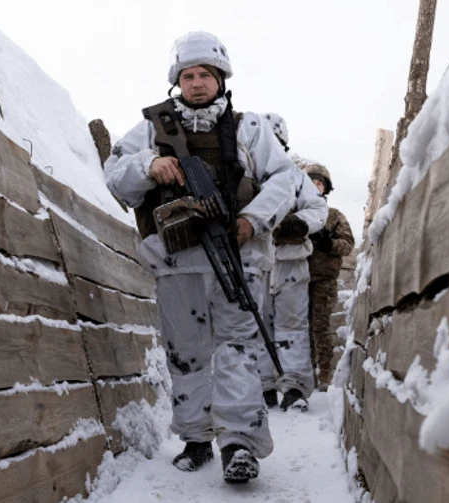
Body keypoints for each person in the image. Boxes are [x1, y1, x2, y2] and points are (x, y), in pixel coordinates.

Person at [104, 31, 298, 483]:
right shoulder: (151, 129)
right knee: (186, 354)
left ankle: (238, 444)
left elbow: (285, 179)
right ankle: (195, 439)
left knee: (237, 350)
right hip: (176, 262)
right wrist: (149, 166)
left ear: (220, 78)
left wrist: (252, 220)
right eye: (188, 76)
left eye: (204, 75)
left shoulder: (250, 128)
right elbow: (115, 176)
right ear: (178, 81)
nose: (196, 83)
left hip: (237, 258)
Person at [258, 113, 327, 411]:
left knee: (293, 326)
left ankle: (295, 387)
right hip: (255, 261)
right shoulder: (242, 173)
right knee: (257, 324)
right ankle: (263, 385)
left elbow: (317, 209)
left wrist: (297, 223)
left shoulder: (295, 177)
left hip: (291, 260)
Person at [304, 164, 355, 391]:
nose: (315, 186)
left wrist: (328, 244)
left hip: (324, 280)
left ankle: (324, 374)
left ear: (325, 188)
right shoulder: (296, 213)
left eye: (319, 183)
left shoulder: (333, 216)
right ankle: (305, 374)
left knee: (320, 327)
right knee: (300, 329)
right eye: (311, 182)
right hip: (297, 279)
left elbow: (348, 245)